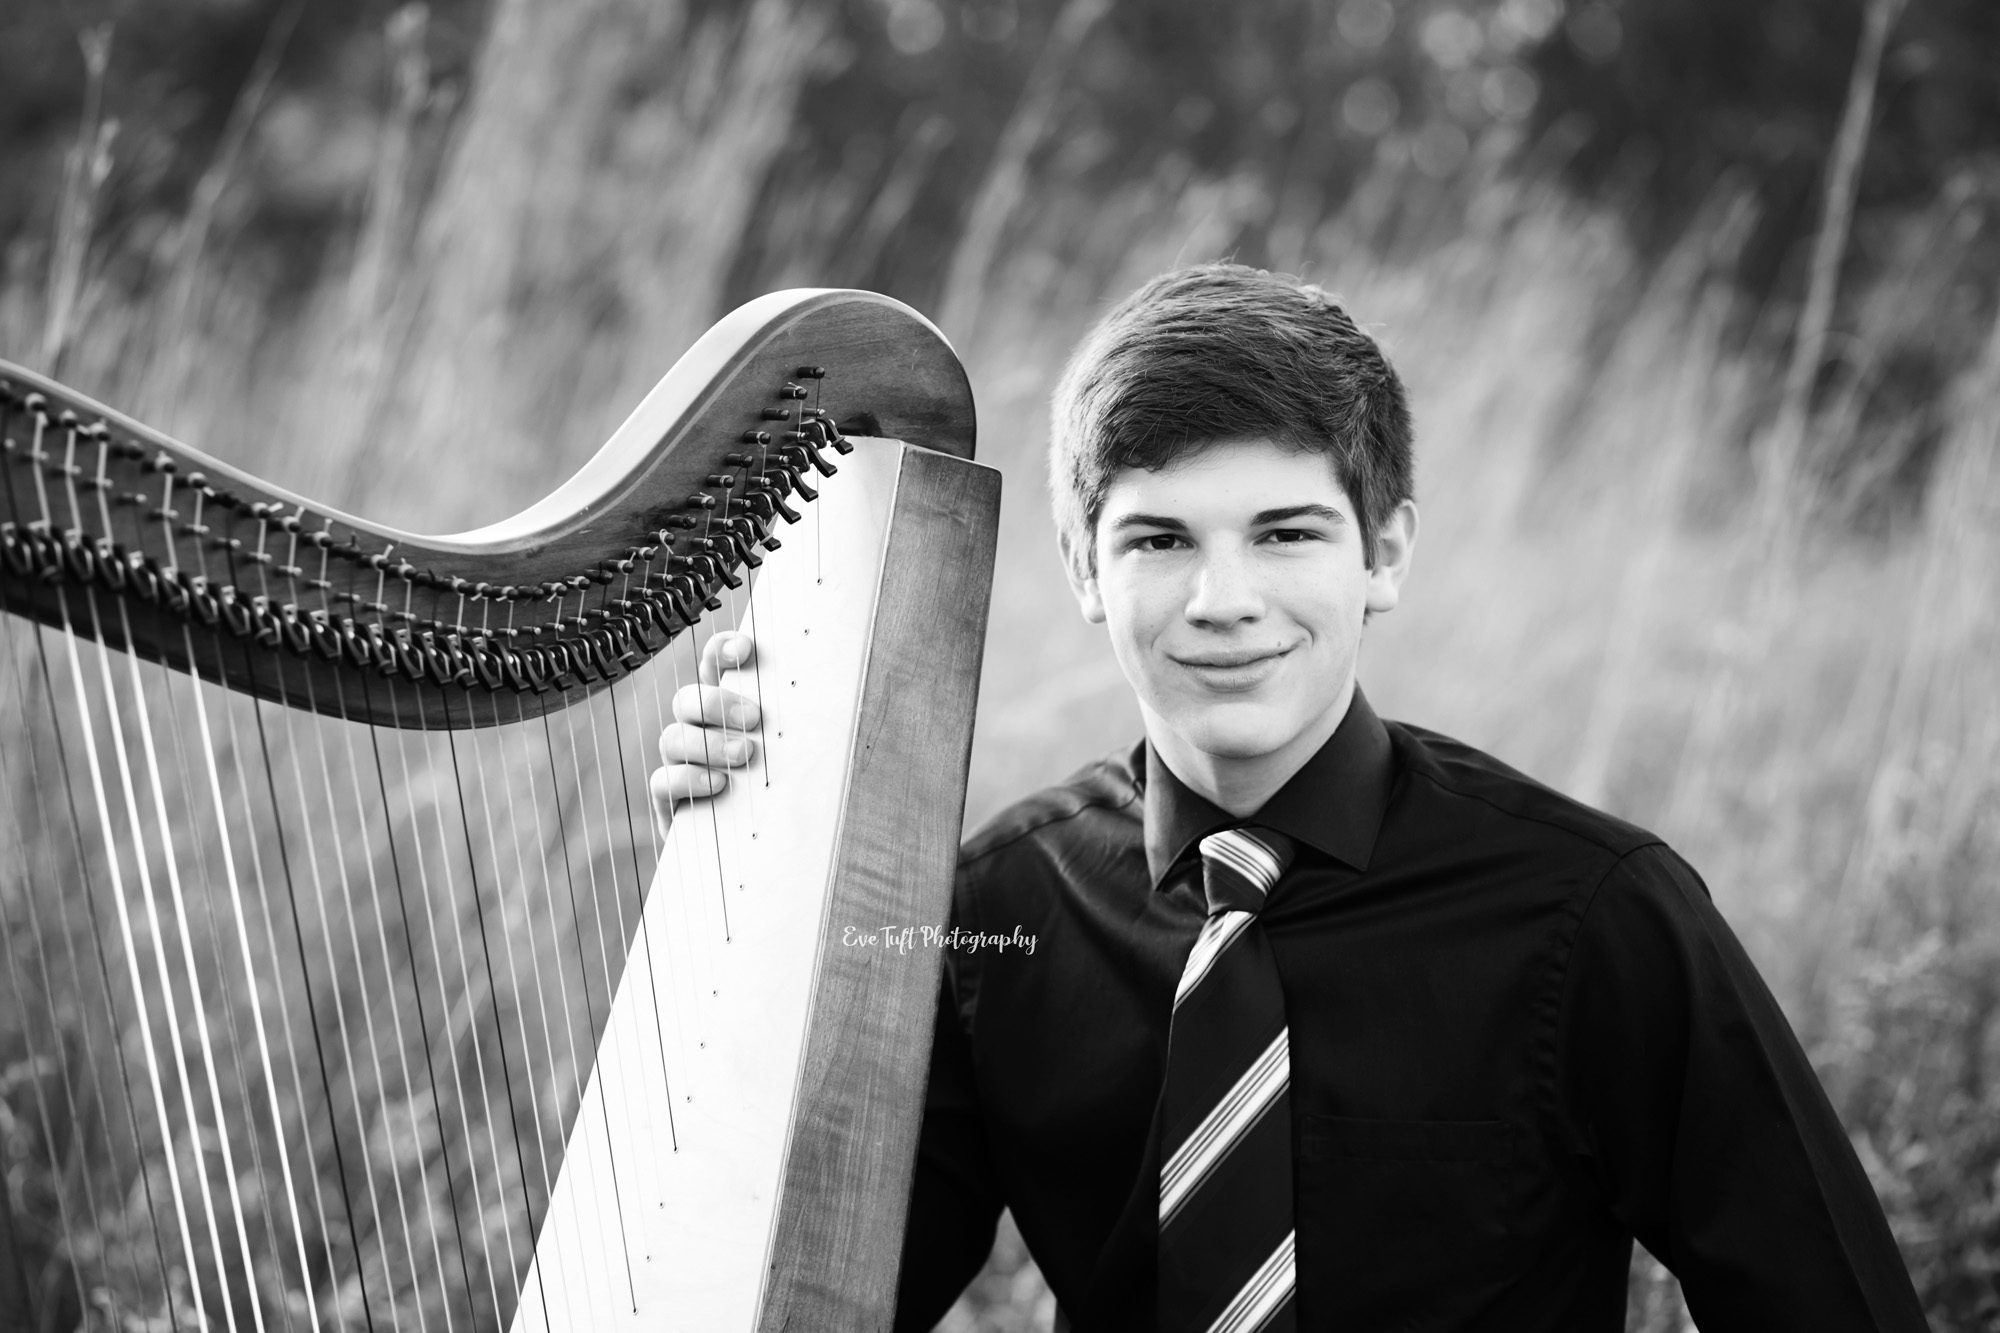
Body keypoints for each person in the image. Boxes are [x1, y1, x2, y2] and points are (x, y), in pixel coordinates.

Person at [651, 264, 1928, 1331]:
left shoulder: (1587, 912)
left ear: (1382, 554)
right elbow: (818, 1293)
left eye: (1285, 532)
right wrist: (742, 867)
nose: (1223, 602)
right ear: (1083, 570)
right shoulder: (1000, 911)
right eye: (1157, 539)